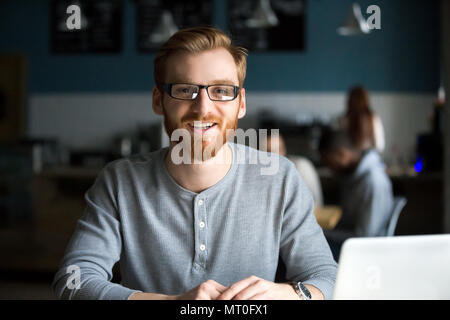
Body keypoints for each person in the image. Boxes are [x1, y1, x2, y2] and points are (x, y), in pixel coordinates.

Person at [52, 27, 337, 300]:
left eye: (222, 91)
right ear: (158, 100)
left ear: (240, 104)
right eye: (185, 90)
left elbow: (328, 277)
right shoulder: (119, 181)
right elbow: (73, 280)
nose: (203, 108)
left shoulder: (280, 177)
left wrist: (288, 293)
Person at [319, 129, 393, 259]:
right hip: (350, 243)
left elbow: (365, 237)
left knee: (309, 252)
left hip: (365, 252)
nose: (329, 169)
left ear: (342, 154)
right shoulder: (352, 176)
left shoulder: (373, 182)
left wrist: (325, 234)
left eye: (329, 162)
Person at [262, 131, 324, 207]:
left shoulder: (301, 167)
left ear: (284, 150)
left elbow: (314, 205)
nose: (274, 156)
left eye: (278, 150)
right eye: (267, 152)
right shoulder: (259, 174)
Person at [338, 86, 385, 153]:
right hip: (368, 158)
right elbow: (380, 145)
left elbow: (340, 145)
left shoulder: (343, 120)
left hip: (349, 159)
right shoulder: (373, 118)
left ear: (349, 101)